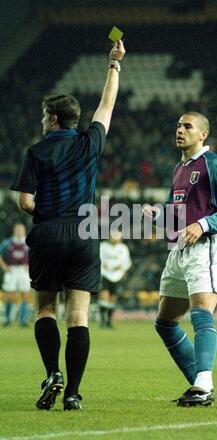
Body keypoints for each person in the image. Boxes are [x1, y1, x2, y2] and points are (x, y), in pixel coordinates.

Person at [10, 39, 126, 411]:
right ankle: (73, 392)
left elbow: (25, 201)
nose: (42, 120)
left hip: (48, 232)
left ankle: (52, 373)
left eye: (45, 115)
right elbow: (106, 106)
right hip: (84, 233)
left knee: (46, 309)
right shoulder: (89, 142)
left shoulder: (36, 150)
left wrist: (46, 212)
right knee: (79, 315)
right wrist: (114, 65)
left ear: (54, 118)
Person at [142, 111, 217, 407]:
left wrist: (202, 225)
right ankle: (199, 384)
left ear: (203, 134)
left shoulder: (214, 164)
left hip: (206, 247)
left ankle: (203, 384)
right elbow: (177, 214)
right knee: (165, 323)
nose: (180, 130)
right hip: (178, 249)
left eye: (187, 126)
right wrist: (159, 214)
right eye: (178, 125)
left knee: (201, 311)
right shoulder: (179, 168)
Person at [0, 223, 31, 327]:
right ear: (14, 231)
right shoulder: (8, 242)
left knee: (25, 294)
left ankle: (23, 320)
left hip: (23, 270)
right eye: (18, 230)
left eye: (21, 230)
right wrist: (4, 266)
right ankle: (7, 319)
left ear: (24, 231)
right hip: (11, 269)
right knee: (9, 294)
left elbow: (36, 254)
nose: (19, 232)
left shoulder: (29, 242)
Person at [99, 231, 132, 328]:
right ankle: (102, 320)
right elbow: (98, 259)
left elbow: (127, 263)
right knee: (104, 296)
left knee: (113, 298)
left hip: (117, 276)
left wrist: (121, 268)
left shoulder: (123, 248)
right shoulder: (103, 246)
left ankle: (109, 321)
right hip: (104, 274)